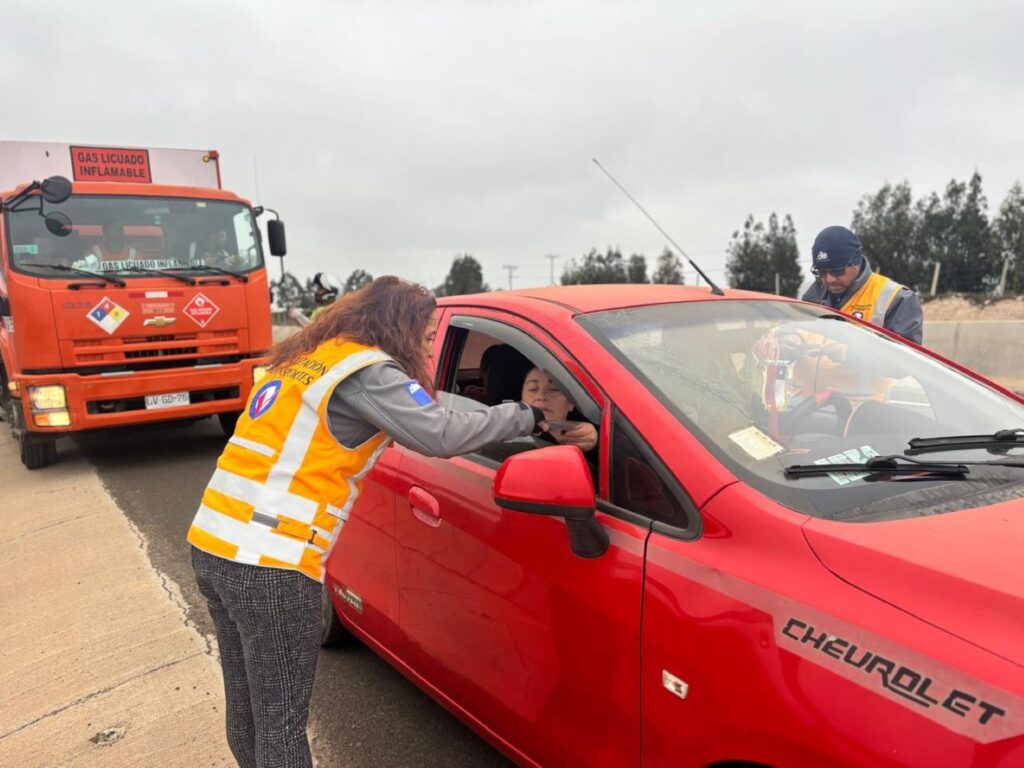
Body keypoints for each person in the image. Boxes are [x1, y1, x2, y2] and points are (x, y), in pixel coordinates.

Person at [186, 276, 546, 768]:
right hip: (271, 562)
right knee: (281, 728)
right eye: (426, 330)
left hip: (212, 544)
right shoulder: (368, 371)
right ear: (399, 323)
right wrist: (526, 415)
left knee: (249, 711)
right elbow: (437, 432)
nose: (431, 341)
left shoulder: (312, 356)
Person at [800, 225, 923, 344]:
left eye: (837, 271)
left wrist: (848, 354)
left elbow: (905, 360)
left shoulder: (897, 299)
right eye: (821, 272)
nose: (829, 279)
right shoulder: (812, 295)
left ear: (856, 262)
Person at [520, 366, 598, 453]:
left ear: (571, 403)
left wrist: (595, 442)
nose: (541, 396)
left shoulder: (586, 437)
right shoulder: (509, 435)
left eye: (554, 389)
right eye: (533, 389)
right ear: (522, 400)